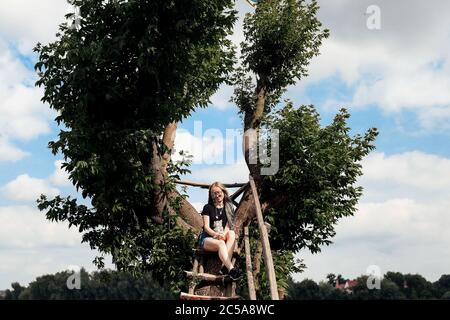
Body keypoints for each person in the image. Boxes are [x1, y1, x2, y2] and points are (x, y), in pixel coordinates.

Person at [198, 182, 242, 281]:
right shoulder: (207, 207)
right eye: (214, 193)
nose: (217, 195)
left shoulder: (229, 207)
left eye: (218, 192)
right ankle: (231, 269)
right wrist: (216, 234)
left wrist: (223, 234)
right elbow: (206, 227)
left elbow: (227, 226)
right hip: (208, 238)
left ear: (223, 192)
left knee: (231, 233)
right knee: (221, 243)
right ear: (211, 195)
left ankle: (224, 268)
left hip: (221, 236)